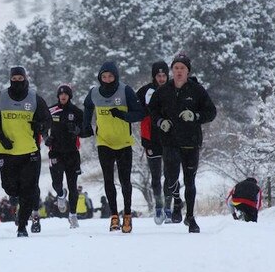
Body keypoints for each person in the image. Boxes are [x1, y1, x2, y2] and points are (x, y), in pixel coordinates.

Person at [148, 53, 217, 233]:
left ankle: (190, 217)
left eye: (182, 69)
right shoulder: (162, 91)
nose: (179, 72)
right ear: (172, 71)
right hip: (170, 141)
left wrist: (195, 116)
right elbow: (152, 111)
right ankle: (177, 202)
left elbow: (211, 112)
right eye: (176, 68)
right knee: (171, 178)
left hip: (191, 141)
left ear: (188, 71)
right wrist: (160, 122)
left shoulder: (197, 90)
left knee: (190, 180)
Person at [0, 66, 51, 237]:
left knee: (28, 190)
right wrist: (1, 137)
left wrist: (40, 126)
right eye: (14, 79)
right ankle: (15, 199)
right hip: (7, 151)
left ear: (25, 78)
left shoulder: (34, 98)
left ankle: (22, 226)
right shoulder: (0, 97)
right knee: (9, 188)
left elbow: (47, 120)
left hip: (30, 152)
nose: (17, 81)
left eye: (19, 78)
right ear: (10, 79)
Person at [80, 62, 145, 233]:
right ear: (100, 77)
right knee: (108, 180)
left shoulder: (126, 90)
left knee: (125, 181)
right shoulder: (94, 92)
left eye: (110, 76)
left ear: (116, 76)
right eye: (104, 76)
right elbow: (87, 107)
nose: (107, 79)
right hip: (104, 142)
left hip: (123, 142)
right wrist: (86, 125)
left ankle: (128, 216)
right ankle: (114, 216)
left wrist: (123, 115)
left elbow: (139, 113)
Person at [136, 61, 184, 225]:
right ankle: (158, 205)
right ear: (154, 76)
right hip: (151, 139)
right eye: (159, 76)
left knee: (170, 175)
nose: (162, 79)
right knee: (156, 176)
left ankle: (168, 208)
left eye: (164, 75)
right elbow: (135, 111)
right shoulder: (144, 91)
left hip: (170, 138)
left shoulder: (174, 89)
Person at [45, 84, 84, 228]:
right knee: (57, 183)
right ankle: (61, 194)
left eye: (66, 94)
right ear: (58, 96)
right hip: (55, 152)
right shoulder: (51, 110)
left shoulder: (77, 112)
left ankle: (73, 215)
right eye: (61, 94)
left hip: (72, 153)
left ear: (69, 96)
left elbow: (85, 131)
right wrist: (46, 138)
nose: (63, 96)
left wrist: (77, 130)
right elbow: (41, 127)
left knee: (73, 186)